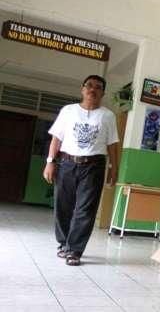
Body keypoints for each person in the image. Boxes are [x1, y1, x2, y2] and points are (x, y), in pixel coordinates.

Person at [43, 75, 119, 266]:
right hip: (67, 163)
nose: (93, 89)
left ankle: (74, 251)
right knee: (63, 205)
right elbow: (56, 139)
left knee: (86, 209)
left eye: (98, 87)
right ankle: (63, 243)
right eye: (89, 86)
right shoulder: (68, 111)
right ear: (82, 89)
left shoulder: (107, 115)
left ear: (103, 93)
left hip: (94, 166)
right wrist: (50, 162)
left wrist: (113, 168)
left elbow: (112, 145)